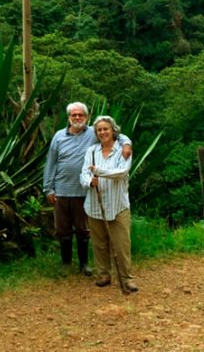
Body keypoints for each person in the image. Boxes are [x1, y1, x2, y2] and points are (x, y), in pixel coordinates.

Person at [43, 103, 132, 276]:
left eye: (81, 115)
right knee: (63, 229)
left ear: (87, 117)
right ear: (68, 117)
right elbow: (51, 162)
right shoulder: (59, 136)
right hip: (61, 190)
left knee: (83, 230)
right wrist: (48, 188)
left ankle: (84, 264)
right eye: (74, 115)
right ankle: (66, 263)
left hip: (85, 192)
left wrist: (127, 144)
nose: (77, 118)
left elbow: (117, 135)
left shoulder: (94, 132)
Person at [80, 115, 138, 292]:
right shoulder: (91, 151)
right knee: (99, 243)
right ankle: (104, 274)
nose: (103, 132)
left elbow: (121, 172)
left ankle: (126, 277)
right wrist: (90, 181)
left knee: (121, 244)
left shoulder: (123, 150)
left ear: (113, 130)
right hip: (94, 205)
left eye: (106, 129)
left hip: (118, 204)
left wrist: (99, 172)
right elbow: (83, 173)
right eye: (99, 130)